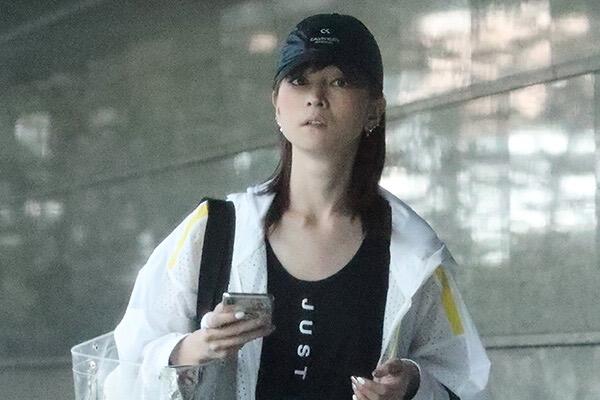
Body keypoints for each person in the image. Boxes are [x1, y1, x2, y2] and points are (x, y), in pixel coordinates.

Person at [114, 13, 490, 400]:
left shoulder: (413, 252)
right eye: (299, 80)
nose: (316, 97)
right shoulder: (215, 231)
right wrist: (197, 347)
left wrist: (411, 384)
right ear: (277, 104)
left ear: (374, 109)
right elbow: (125, 364)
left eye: (339, 81)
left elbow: (463, 380)